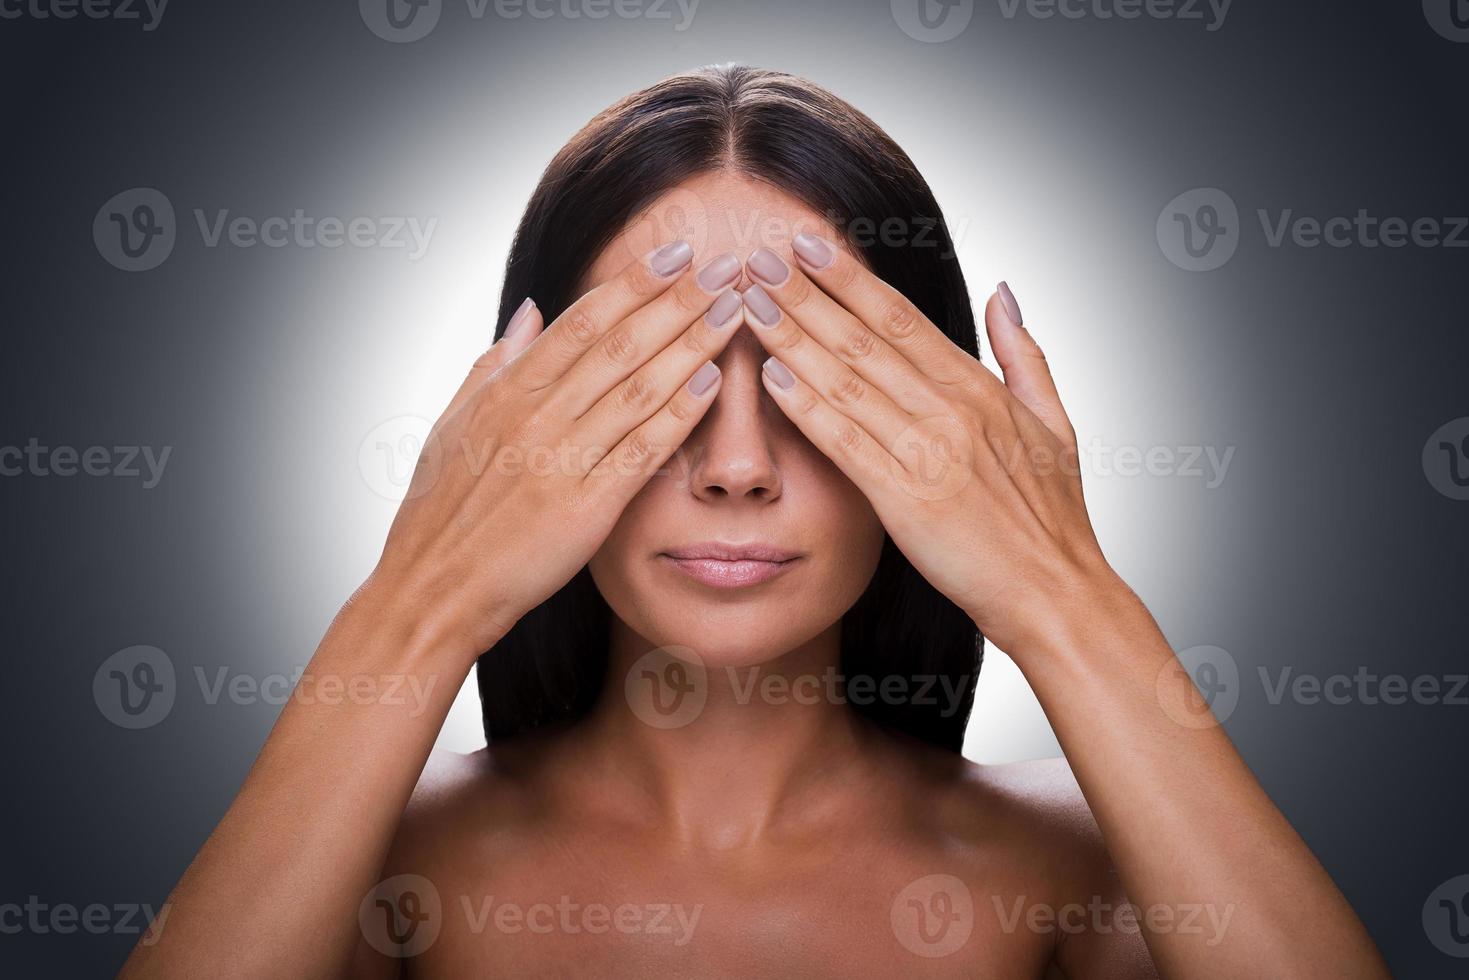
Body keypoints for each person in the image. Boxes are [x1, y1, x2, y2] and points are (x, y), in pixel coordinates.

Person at [121, 64, 1389, 978]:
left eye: (816, 381)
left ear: (932, 423)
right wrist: (422, 594)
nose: (734, 465)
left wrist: (1062, 590)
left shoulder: (1088, 868)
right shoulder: (375, 873)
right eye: (650, 380)